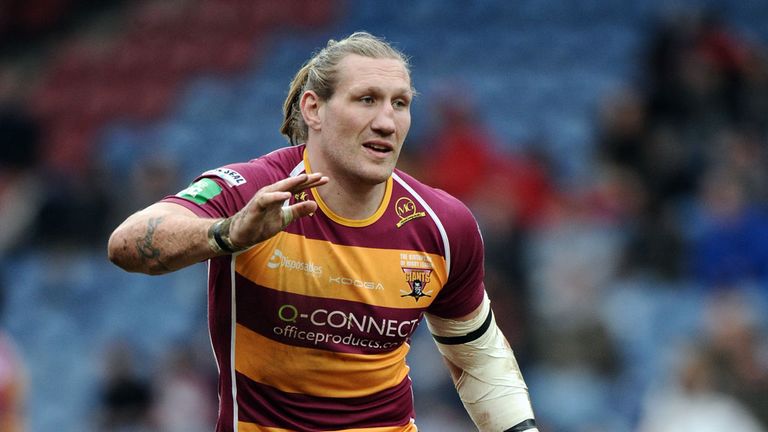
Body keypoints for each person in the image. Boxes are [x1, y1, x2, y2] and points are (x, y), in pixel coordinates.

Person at [108, 32, 537, 432]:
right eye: (366, 100)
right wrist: (228, 233)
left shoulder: (443, 225)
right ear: (314, 109)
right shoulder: (254, 192)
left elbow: (478, 358)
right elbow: (126, 242)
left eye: (400, 104)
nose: (387, 122)